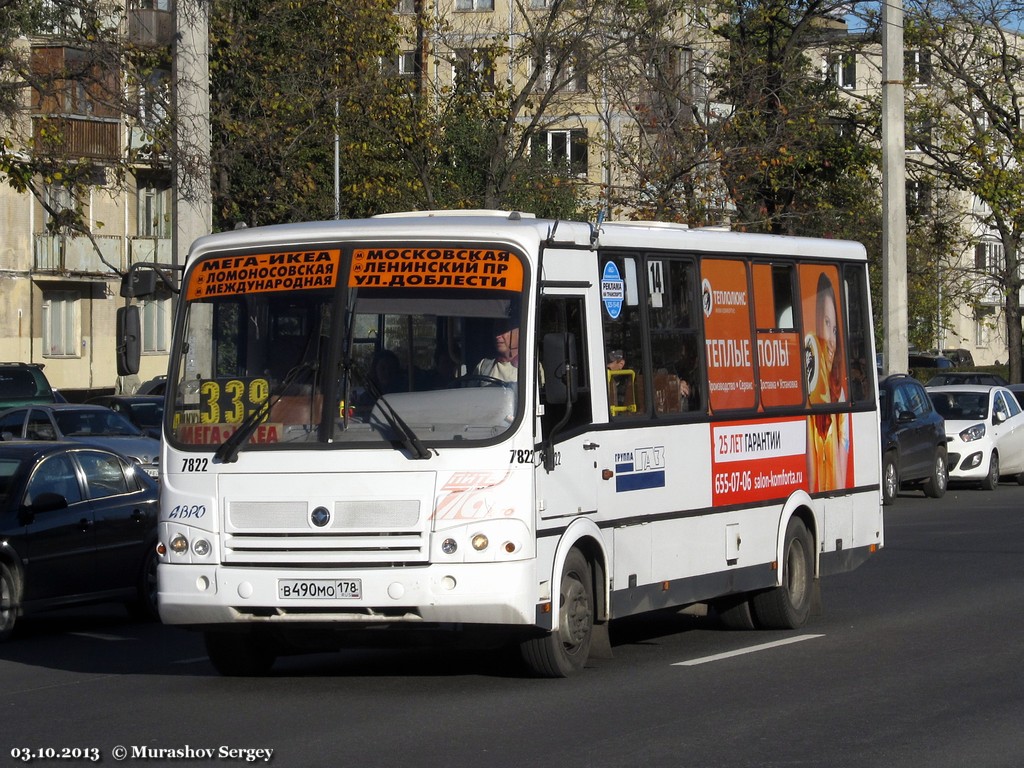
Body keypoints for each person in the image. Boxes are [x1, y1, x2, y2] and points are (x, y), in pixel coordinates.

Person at [807, 272, 850, 492]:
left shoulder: (841, 399)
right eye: (826, 323)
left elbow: (840, 482)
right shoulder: (807, 396)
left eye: (835, 329)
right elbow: (811, 481)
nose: (831, 340)